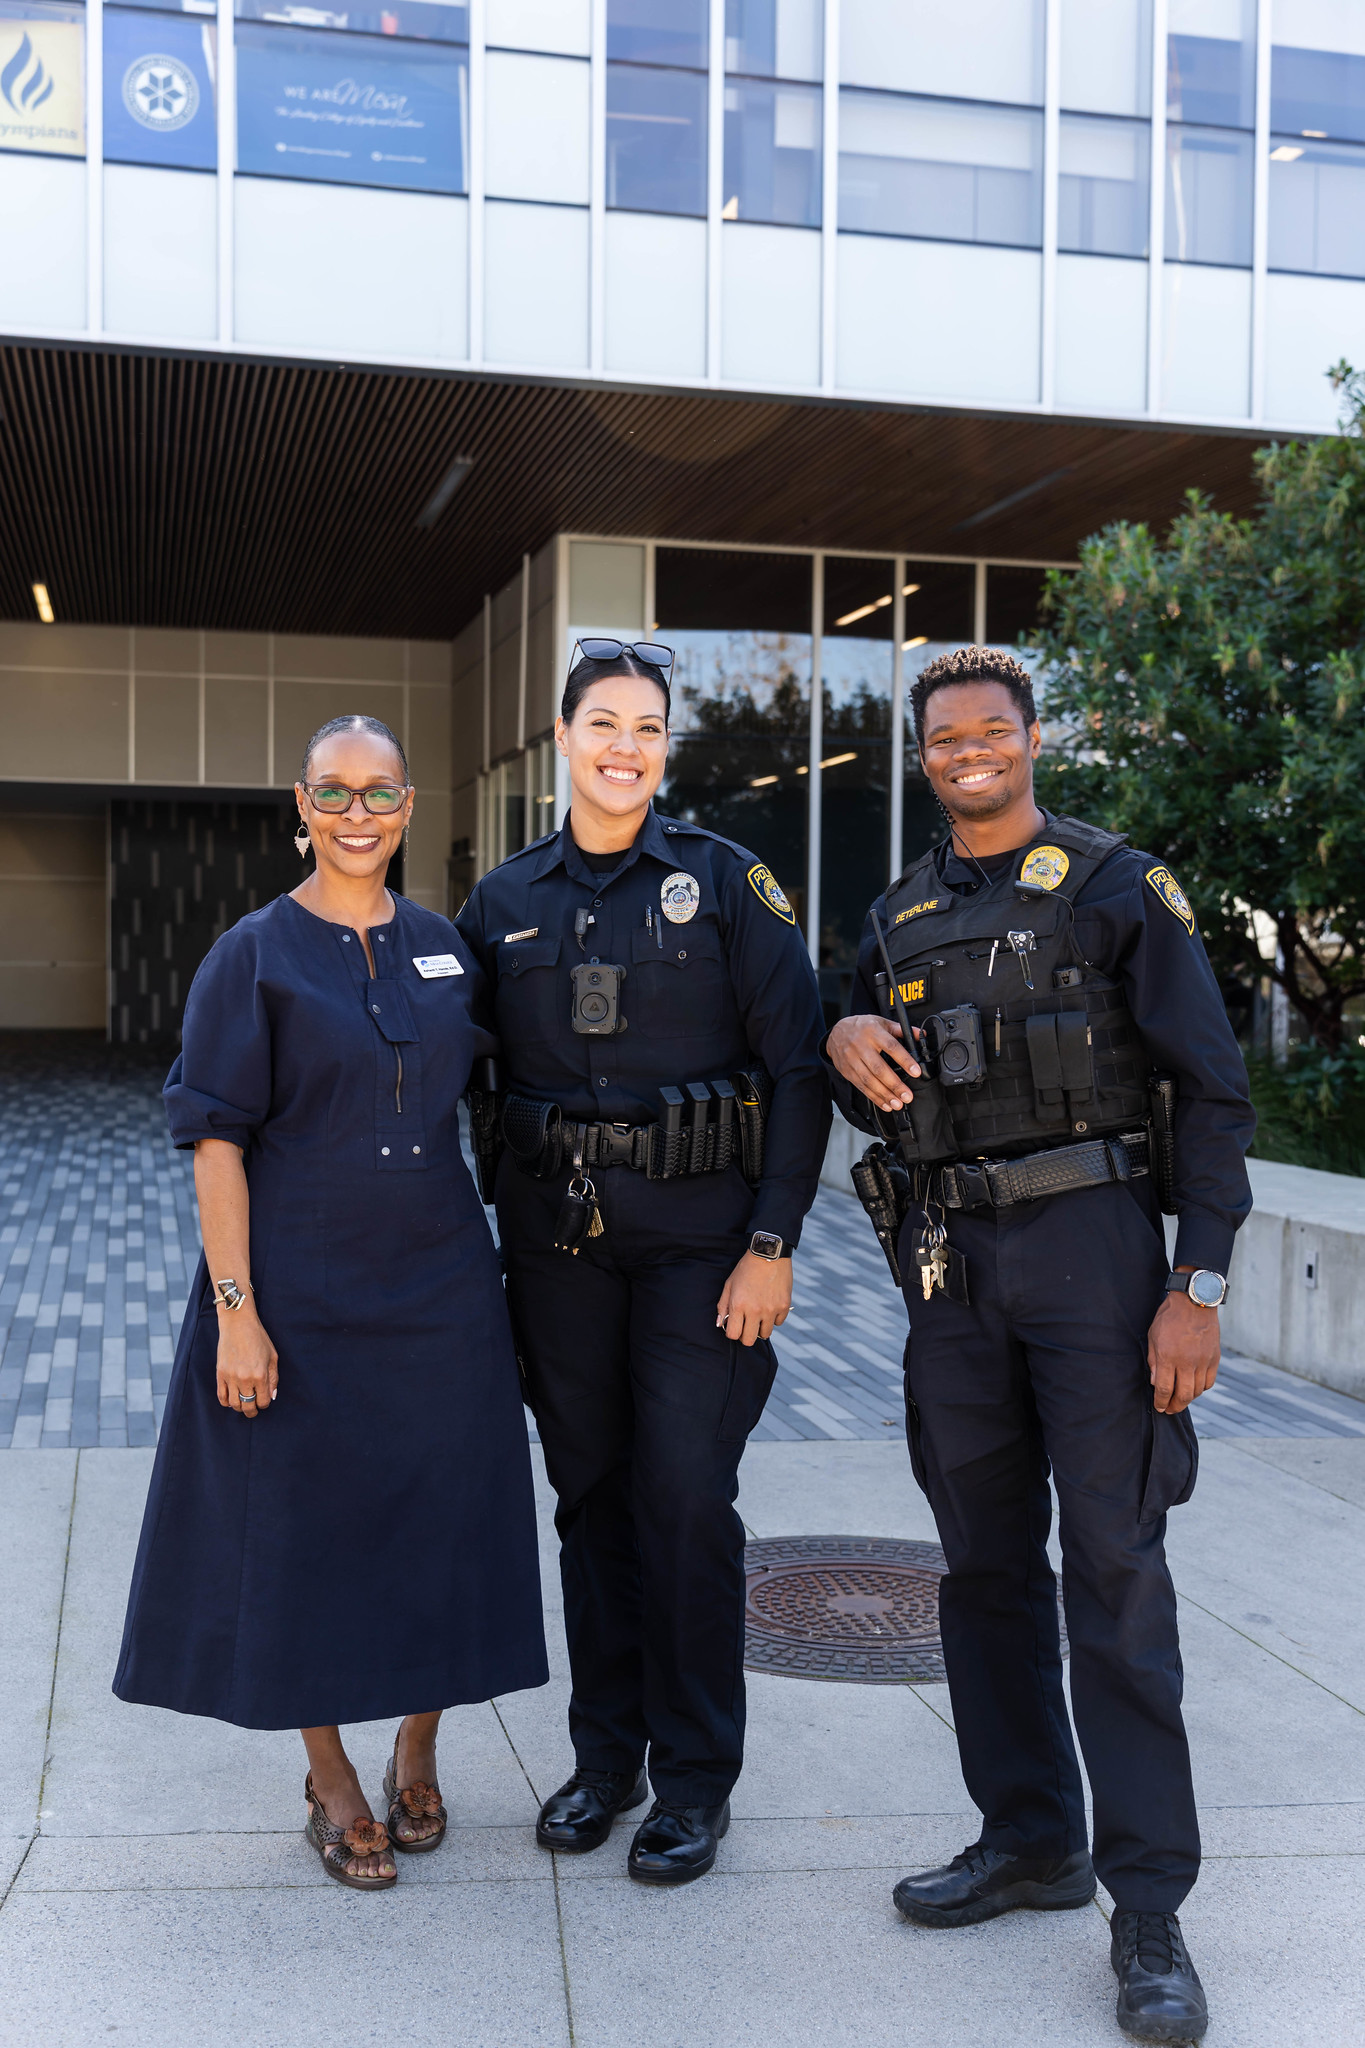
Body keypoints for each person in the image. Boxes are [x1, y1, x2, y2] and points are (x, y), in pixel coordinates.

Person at [826, 646, 1253, 2043]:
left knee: (1117, 1572)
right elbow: (828, 1029)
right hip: (953, 1272)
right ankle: (1029, 1842)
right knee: (981, 1570)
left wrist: (1195, 1283)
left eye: (990, 732)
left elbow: (1213, 1094)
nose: (969, 753)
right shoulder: (894, 915)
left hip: (1098, 1259)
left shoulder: (1119, 887)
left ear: (1027, 738)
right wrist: (837, 1025)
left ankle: (1148, 1910)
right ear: (923, 756)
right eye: (945, 738)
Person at [114, 714, 547, 1890]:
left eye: (380, 793)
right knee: (307, 1531)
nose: (359, 814)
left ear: (409, 806)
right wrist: (236, 1309)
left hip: (443, 1284)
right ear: (298, 808)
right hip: (298, 1291)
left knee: (438, 1519)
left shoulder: (449, 944)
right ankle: (332, 1774)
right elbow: (215, 1146)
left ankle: (417, 1742)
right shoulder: (248, 954)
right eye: (334, 793)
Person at [455, 639, 830, 1886]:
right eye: (603, 721)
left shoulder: (728, 885)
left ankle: (694, 1779)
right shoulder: (501, 902)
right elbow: (465, 1079)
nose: (626, 745)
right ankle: (603, 1757)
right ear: (561, 737)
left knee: (683, 1502)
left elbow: (799, 1067)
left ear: (669, 749)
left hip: (702, 1253)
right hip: (558, 1254)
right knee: (592, 1504)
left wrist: (773, 1242)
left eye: (649, 727)